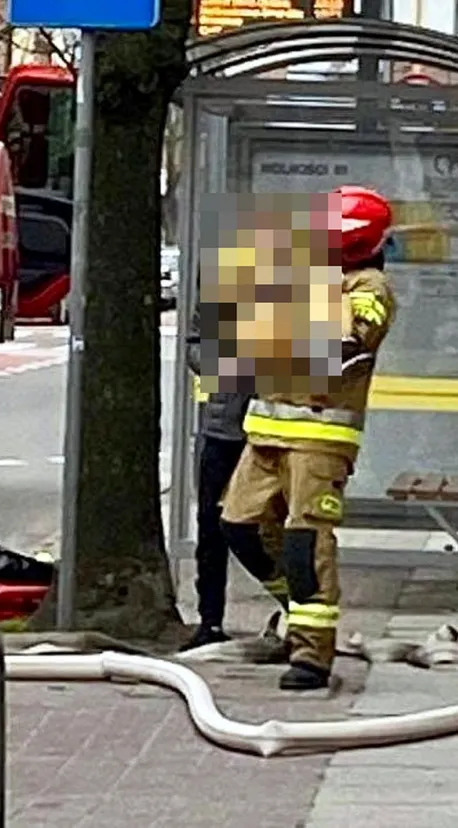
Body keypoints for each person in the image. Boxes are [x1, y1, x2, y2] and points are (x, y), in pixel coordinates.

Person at [219, 185, 395, 691]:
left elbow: (341, 341)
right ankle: (296, 612)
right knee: (240, 527)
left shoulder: (369, 288)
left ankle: (313, 656)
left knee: (305, 542)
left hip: (320, 439)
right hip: (266, 433)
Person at [179, 296, 252, 650]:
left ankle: (297, 616)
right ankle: (210, 621)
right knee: (210, 528)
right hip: (220, 429)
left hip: (271, 431)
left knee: (263, 531)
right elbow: (195, 343)